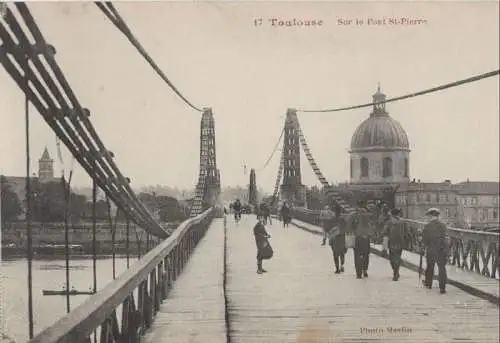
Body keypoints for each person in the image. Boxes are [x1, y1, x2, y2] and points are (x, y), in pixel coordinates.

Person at [422, 208, 448, 294]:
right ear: (438, 216)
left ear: (431, 216)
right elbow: (445, 237)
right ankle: (442, 288)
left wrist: (423, 246)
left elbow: (425, 240)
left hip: (431, 249)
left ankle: (428, 283)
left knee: (430, 267)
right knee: (442, 268)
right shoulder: (443, 225)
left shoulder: (427, 226)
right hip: (441, 249)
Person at [384, 208, 405, 281]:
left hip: (391, 242)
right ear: (398, 214)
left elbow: (385, 231)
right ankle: (396, 271)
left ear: (392, 214)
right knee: (398, 257)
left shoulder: (389, 222)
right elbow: (407, 232)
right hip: (400, 243)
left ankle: (395, 271)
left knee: (392, 258)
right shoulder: (403, 222)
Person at [353, 201, 373, 279]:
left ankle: (358, 273)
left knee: (357, 255)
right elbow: (371, 225)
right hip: (366, 238)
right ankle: (365, 270)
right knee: (366, 255)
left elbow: (350, 225)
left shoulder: (355, 214)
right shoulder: (368, 214)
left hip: (358, 237)